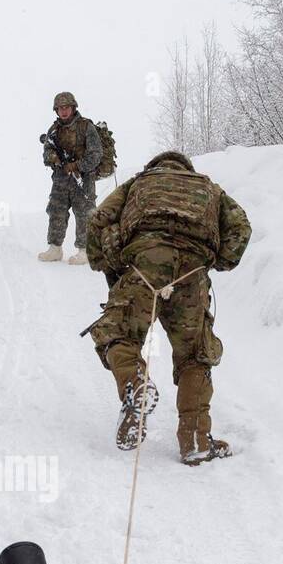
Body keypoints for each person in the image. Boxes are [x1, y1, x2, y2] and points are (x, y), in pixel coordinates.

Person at [85, 150, 251, 464]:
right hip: (193, 271)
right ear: (185, 169)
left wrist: (109, 263)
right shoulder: (209, 188)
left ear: (155, 166)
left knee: (116, 333)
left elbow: (98, 219)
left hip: (146, 261)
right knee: (194, 355)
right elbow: (240, 227)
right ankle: (195, 441)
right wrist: (218, 261)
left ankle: (136, 383)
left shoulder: (138, 183)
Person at [38, 91, 102, 265]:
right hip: (60, 180)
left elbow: (96, 154)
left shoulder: (86, 127)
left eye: (66, 107)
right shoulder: (53, 130)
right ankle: (55, 248)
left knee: (84, 214)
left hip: (83, 179)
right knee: (56, 211)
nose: (63, 111)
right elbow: (46, 153)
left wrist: (77, 166)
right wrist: (54, 158)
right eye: (60, 108)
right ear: (56, 111)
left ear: (73, 107)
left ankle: (85, 251)